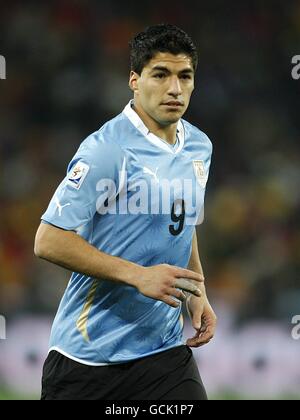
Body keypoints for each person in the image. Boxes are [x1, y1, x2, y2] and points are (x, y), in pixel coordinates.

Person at [35, 23, 217, 401]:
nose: (175, 89)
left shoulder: (199, 145)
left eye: (185, 76)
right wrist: (138, 276)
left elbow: (181, 220)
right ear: (134, 80)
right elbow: (48, 240)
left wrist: (195, 290)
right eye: (160, 75)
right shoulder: (107, 149)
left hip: (164, 353)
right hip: (88, 357)